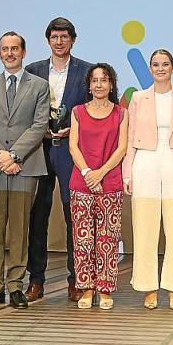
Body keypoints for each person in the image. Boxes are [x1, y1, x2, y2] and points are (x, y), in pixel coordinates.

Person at [0, 31, 49, 310]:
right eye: (5, 49)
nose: (10, 53)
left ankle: (16, 286)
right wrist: (0, 156)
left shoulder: (39, 86)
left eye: (14, 48)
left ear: (23, 52)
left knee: (19, 229)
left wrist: (14, 155)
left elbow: (39, 125)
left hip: (25, 166)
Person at [123, 49, 173, 311]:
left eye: (165, 64)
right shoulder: (138, 98)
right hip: (145, 162)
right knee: (144, 229)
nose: (160, 68)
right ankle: (148, 287)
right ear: (150, 68)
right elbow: (130, 138)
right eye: (155, 64)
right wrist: (127, 173)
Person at [25, 17, 92, 303]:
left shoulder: (87, 72)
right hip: (38, 149)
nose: (59, 41)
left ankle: (76, 280)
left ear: (73, 40)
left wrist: (75, 128)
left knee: (72, 215)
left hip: (70, 150)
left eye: (65, 37)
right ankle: (35, 280)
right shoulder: (33, 71)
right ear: (48, 40)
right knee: (37, 215)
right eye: (55, 37)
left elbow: (96, 109)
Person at [69, 63, 128, 310]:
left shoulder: (121, 113)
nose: (99, 84)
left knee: (107, 238)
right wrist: (87, 173)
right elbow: (73, 146)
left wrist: (101, 173)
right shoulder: (77, 112)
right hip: (81, 184)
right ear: (89, 85)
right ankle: (87, 288)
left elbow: (122, 148)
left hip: (110, 183)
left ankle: (104, 288)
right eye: (95, 80)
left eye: (104, 80)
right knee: (83, 239)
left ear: (111, 85)